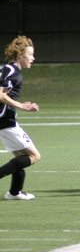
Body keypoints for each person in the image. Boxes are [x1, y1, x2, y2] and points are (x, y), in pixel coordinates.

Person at [0, 35, 41, 200]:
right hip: (5, 120)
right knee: (34, 156)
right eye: (30, 55)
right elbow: (1, 95)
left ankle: (15, 192)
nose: (33, 58)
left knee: (20, 157)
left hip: (6, 120)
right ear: (19, 55)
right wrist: (22, 106)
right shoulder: (11, 70)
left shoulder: (9, 69)